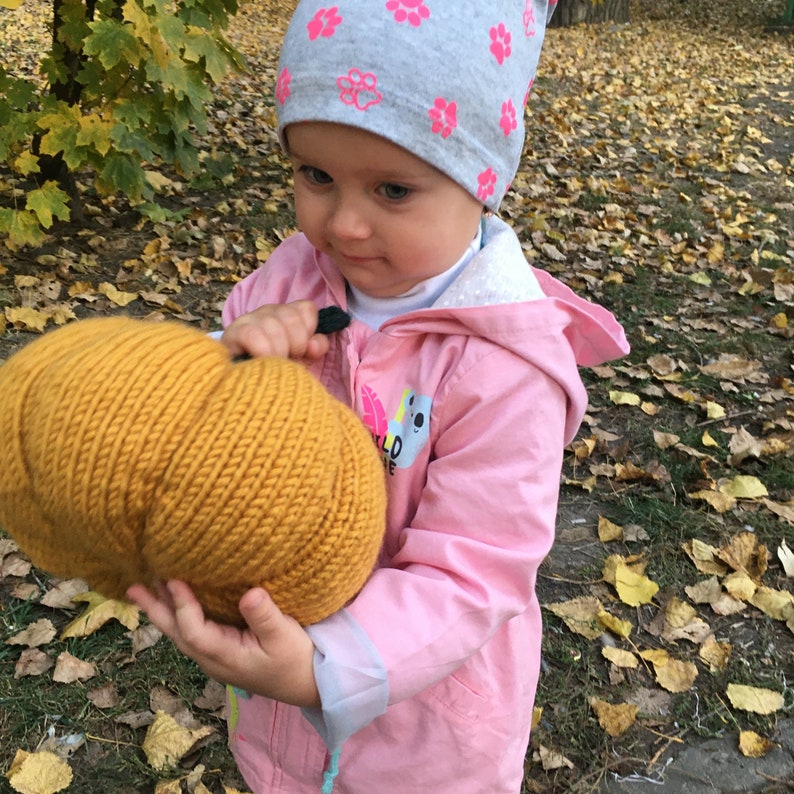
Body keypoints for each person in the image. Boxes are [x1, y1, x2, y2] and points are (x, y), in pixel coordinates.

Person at [128, 1, 630, 792]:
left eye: (393, 189)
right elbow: (205, 440)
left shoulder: (503, 368)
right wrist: (233, 361)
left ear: (482, 184)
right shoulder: (291, 280)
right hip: (277, 689)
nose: (346, 224)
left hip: (422, 733)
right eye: (315, 176)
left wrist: (325, 669)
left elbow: (473, 571)